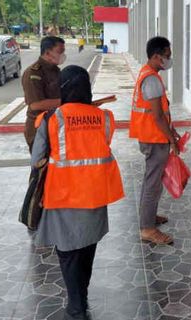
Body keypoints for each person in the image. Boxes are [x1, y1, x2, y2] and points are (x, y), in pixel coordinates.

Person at [32, 65, 124, 320]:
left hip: (63, 197)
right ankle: (80, 298)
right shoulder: (104, 118)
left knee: (68, 253)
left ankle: (76, 307)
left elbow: (36, 159)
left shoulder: (52, 118)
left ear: (63, 87)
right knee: (86, 251)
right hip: (95, 195)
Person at [130, 36, 179, 244]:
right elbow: (157, 116)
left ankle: (149, 218)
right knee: (152, 183)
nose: (169, 59)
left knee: (153, 181)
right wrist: (171, 139)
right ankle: (148, 229)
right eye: (167, 56)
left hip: (154, 135)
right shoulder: (151, 78)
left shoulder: (148, 74)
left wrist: (172, 130)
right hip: (154, 138)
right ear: (157, 56)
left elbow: (162, 113)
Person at [22, 36, 65, 153]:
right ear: (47, 52)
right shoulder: (33, 73)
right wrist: (68, 101)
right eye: (60, 52)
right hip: (38, 128)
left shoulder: (55, 70)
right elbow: (35, 105)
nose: (63, 55)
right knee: (41, 167)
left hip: (54, 125)